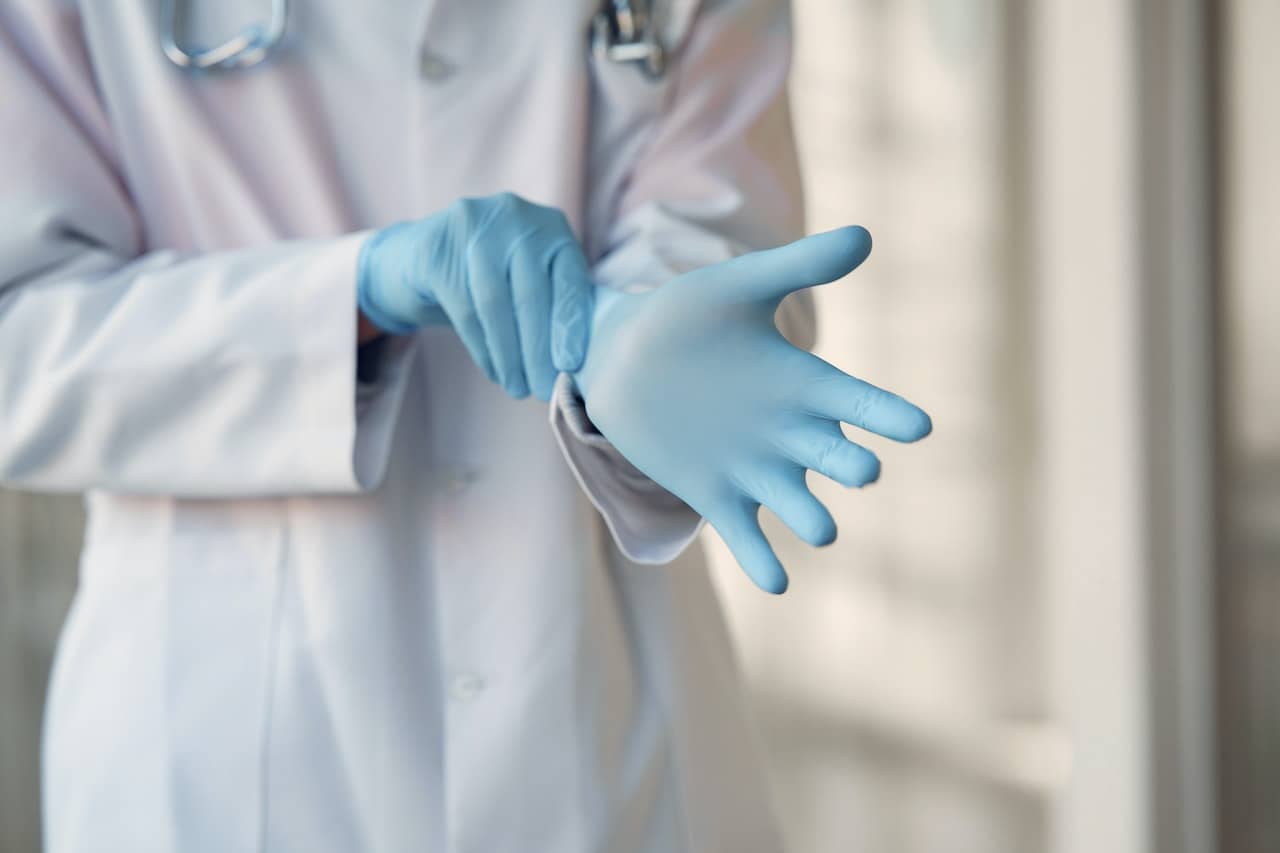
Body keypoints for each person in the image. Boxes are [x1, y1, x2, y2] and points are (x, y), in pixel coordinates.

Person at [0, 1, 930, 850]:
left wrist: (654, 336)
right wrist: (348, 295)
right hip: (219, 743)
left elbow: (735, 258)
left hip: (601, 722)